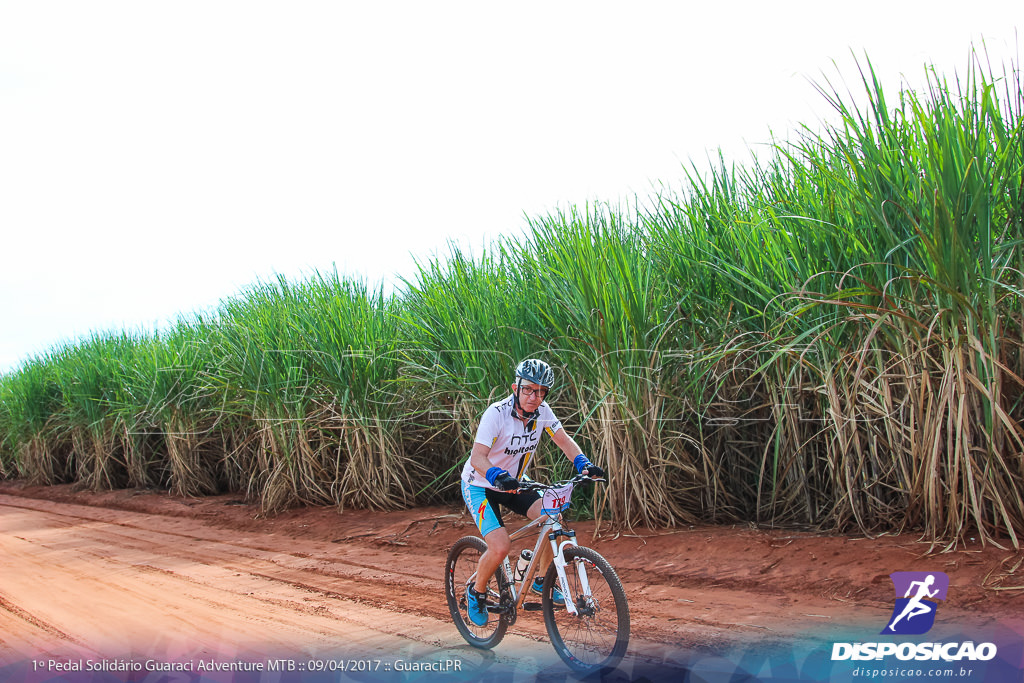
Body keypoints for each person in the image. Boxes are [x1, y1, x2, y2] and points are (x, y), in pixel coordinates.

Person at [459, 358, 605, 627]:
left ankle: (540, 582)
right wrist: (495, 474)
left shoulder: (543, 411)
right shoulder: (497, 413)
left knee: (553, 518)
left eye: (540, 391)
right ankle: (476, 591)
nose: (534, 396)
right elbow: (478, 457)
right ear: (516, 387)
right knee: (501, 545)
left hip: (513, 483)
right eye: (528, 389)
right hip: (480, 484)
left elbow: (563, 441)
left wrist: (583, 463)